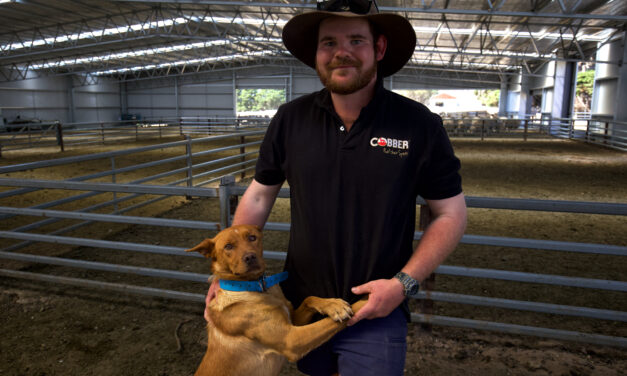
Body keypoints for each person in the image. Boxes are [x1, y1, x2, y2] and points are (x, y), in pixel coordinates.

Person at [207, 1, 467, 374]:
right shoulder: (290, 119)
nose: (340, 52)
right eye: (328, 43)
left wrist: (403, 284)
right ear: (316, 53)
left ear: (378, 49)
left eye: (355, 40)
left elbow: (450, 213)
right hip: (305, 306)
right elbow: (261, 194)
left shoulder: (418, 124)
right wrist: (228, 282)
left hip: (376, 309)